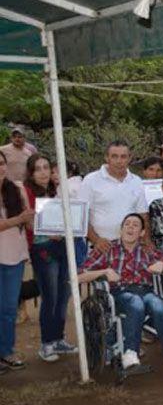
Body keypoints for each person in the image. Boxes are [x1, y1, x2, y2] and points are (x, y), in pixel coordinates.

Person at [77, 213, 163, 371]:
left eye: (135, 225)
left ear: (142, 232)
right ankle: (130, 353)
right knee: (135, 302)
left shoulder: (147, 250)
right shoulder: (108, 249)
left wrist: (162, 265)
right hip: (117, 294)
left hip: (145, 292)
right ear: (121, 230)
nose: (130, 227)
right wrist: (105, 272)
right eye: (127, 224)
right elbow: (78, 276)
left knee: (157, 303)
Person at [23, 154, 77, 362]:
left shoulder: (55, 191)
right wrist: (47, 232)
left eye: (47, 167)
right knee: (51, 296)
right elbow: (28, 223)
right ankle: (47, 343)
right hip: (43, 249)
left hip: (62, 246)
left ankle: (58, 338)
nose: (44, 172)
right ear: (31, 172)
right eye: (39, 168)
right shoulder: (27, 193)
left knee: (64, 295)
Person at [79, 140, 149, 252]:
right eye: (114, 156)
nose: (119, 161)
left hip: (131, 248)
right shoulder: (90, 180)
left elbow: (143, 215)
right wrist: (96, 240)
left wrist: (146, 241)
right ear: (107, 157)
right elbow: (81, 216)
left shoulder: (136, 181)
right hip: (101, 247)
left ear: (129, 158)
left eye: (123, 157)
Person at [0, 151, 33, 372]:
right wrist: (19, 219)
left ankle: (6, 352)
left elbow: (28, 221)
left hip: (14, 256)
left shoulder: (16, 189)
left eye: (1, 163)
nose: (0, 167)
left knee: (9, 308)